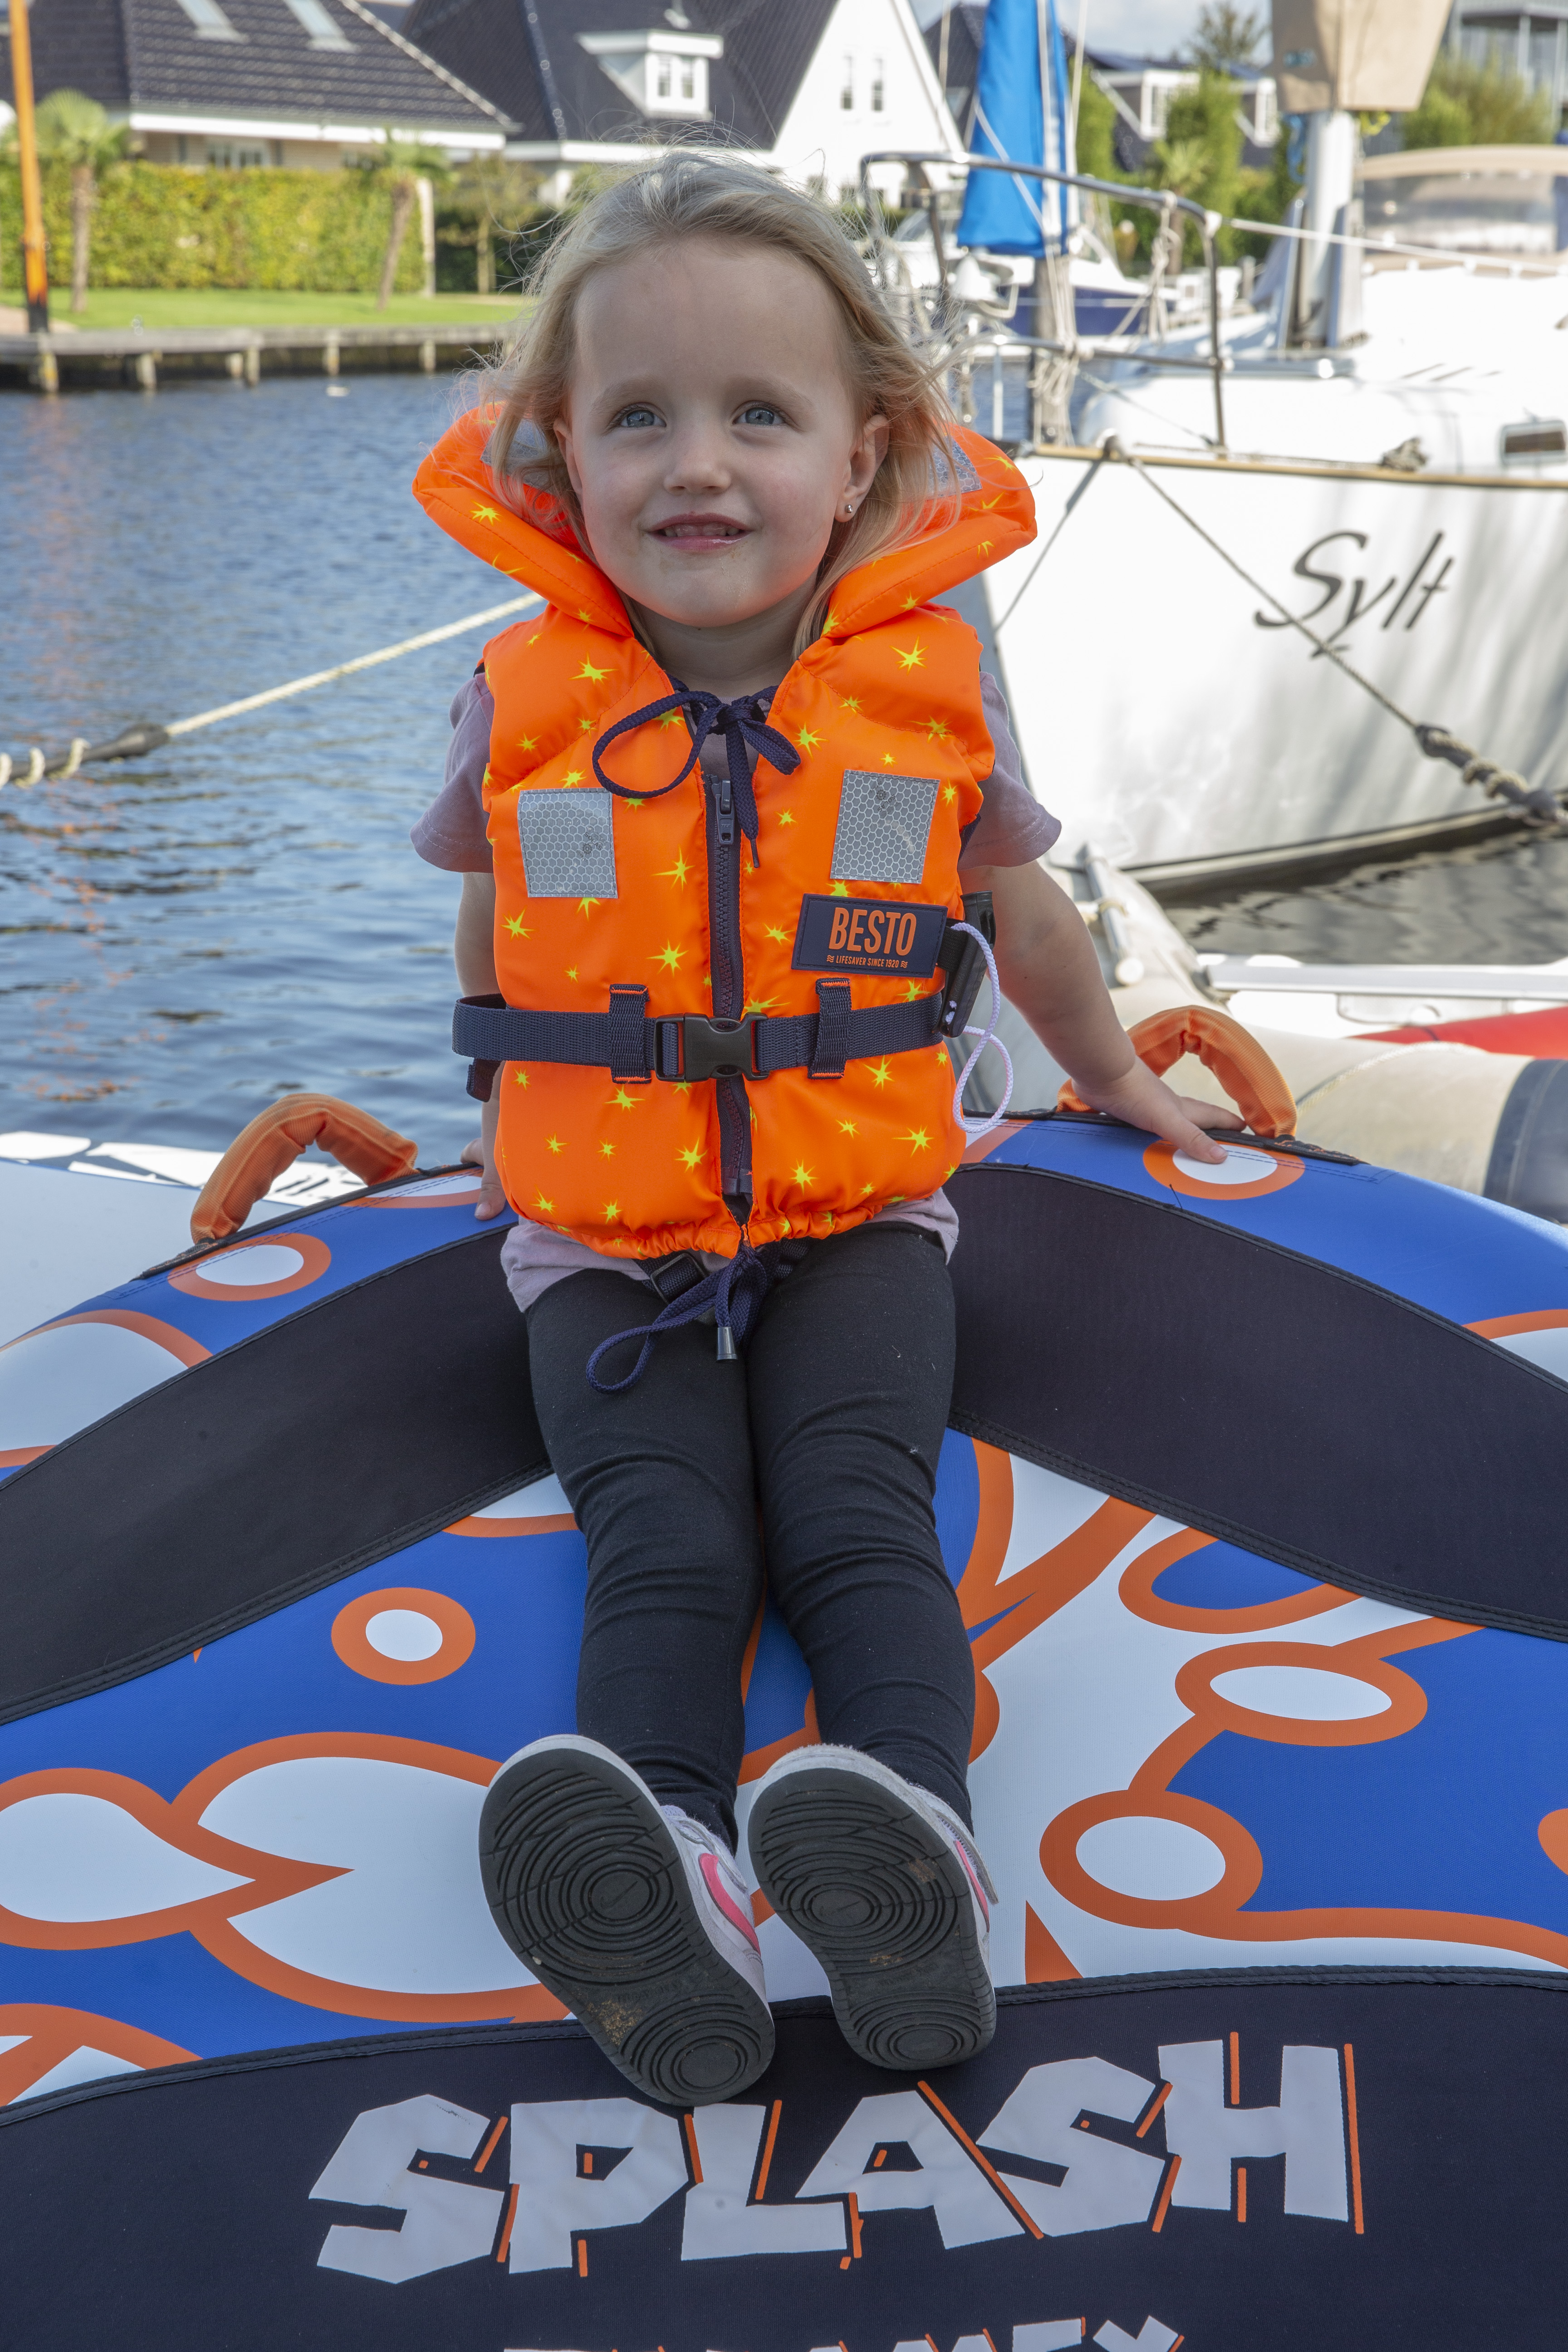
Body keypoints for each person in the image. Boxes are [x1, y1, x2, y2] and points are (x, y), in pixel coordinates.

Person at [410, 157, 1239, 2110]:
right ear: (561, 454)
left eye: (758, 416)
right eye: (639, 417)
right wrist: (491, 1108)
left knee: (858, 1519)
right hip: (598, 1243)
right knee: (666, 1538)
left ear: (863, 456)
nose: (697, 464)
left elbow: (1027, 917)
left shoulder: (926, 696)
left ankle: (914, 1846)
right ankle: (664, 1879)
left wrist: (1115, 1075)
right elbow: (503, 925)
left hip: (864, 1218)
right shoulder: (521, 699)